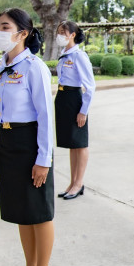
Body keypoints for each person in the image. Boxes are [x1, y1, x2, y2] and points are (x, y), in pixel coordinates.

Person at [0, 8, 55, 266]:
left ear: (23, 33)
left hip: (30, 143)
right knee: (21, 211)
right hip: (8, 143)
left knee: (38, 211)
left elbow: (45, 117)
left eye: (5, 27)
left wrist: (43, 160)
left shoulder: (34, 67)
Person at [54, 20, 95, 200]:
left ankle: (79, 183)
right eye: (58, 32)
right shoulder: (64, 55)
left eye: (63, 32)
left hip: (74, 100)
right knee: (72, 143)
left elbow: (90, 86)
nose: (59, 35)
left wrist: (83, 111)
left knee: (80, 143)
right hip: (62, 98)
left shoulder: (79, 56)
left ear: (72, 35)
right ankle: (72, 183)